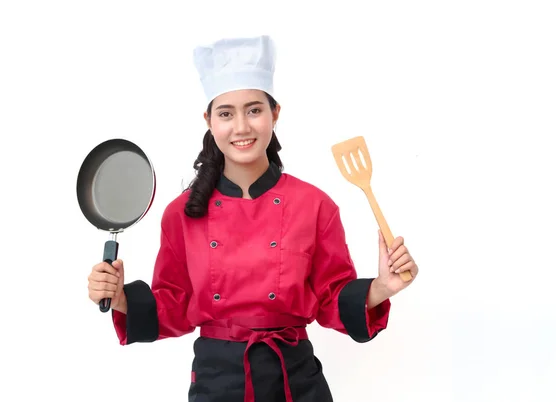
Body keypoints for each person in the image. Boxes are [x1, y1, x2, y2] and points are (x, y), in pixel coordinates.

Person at [87, 35, 418, 402]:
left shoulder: (314, 204)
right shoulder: (181, 213)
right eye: (226, 113)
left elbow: (330, 298)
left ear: (275, 113)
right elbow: (174, 304)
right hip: (216, 381)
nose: (241, 127)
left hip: (296, 380)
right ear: (208, 120)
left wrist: (382, 288)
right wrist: (119, 299)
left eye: (254, 110)